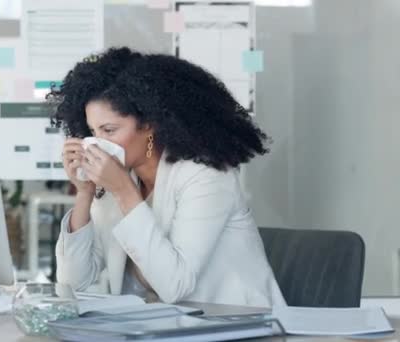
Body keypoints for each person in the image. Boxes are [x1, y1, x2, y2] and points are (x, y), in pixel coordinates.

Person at [47, 47, 286, 306]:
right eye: (93, 131)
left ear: (149, 124)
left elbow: (175, 286)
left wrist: (124, 192)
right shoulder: (117, 180)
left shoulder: (205, 175)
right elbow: (73, 283)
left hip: (238, 324)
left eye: (109, 130)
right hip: (156, 327)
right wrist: (84, 193)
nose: (97, 143)